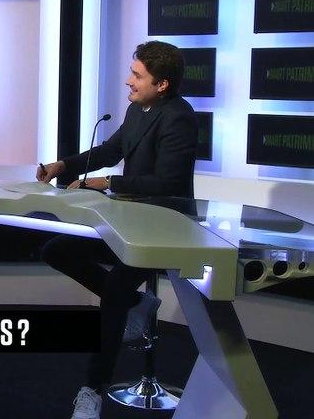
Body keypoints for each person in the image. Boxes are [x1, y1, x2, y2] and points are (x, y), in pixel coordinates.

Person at [36, 41, 197, 419]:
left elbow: (167, 183)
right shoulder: (137, 109)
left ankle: (92, 390)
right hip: (130, 222)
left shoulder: (180, 117)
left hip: (165, 229)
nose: (129, 81)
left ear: (162, 84)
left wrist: (105, 183)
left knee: (114, 293)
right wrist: (64, 166)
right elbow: (111, 150)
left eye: (137, 75)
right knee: (56, 250)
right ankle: (137, 304)